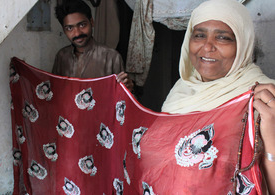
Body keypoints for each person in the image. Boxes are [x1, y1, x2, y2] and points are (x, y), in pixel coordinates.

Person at [161, 0, 275, 194]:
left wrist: (272, 137)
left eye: (223, 38)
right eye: (199, 35)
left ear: (243, 44)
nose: (207, 47)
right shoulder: (181, 91)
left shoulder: (265, 98)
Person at [52, 0, 133, 92]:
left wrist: (127, 89)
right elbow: (56, 92)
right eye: (70, 28)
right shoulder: (62, 56)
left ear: (91, 22)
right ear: (64, 30)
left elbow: (121, 97)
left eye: (82, 25)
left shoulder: (111, 57)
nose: (77, 33)